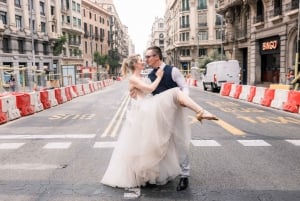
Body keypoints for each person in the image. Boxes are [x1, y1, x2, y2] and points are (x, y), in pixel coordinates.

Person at [101, 54, 217, 189]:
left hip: (148, 106)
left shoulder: (142, 77)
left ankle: (201, 112)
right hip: (145, 108)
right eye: (140, 61)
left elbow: (143, 92)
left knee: (151, 144)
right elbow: (150, 89)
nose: (143, 62)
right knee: (175, 92)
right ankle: (201, 112)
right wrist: (160, 77)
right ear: (134, 65)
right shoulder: (133, 78)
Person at [143, 46, 204, 191]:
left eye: (148, 56)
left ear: (157, 57)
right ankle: (161, 173)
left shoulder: (173, 71)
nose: (146, 59)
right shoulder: (150, 76)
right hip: (160, 115)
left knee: (180, 143)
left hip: (176, 113)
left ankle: (184, 175)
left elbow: (184, 87)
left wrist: (184, 99)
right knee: (161, 143)